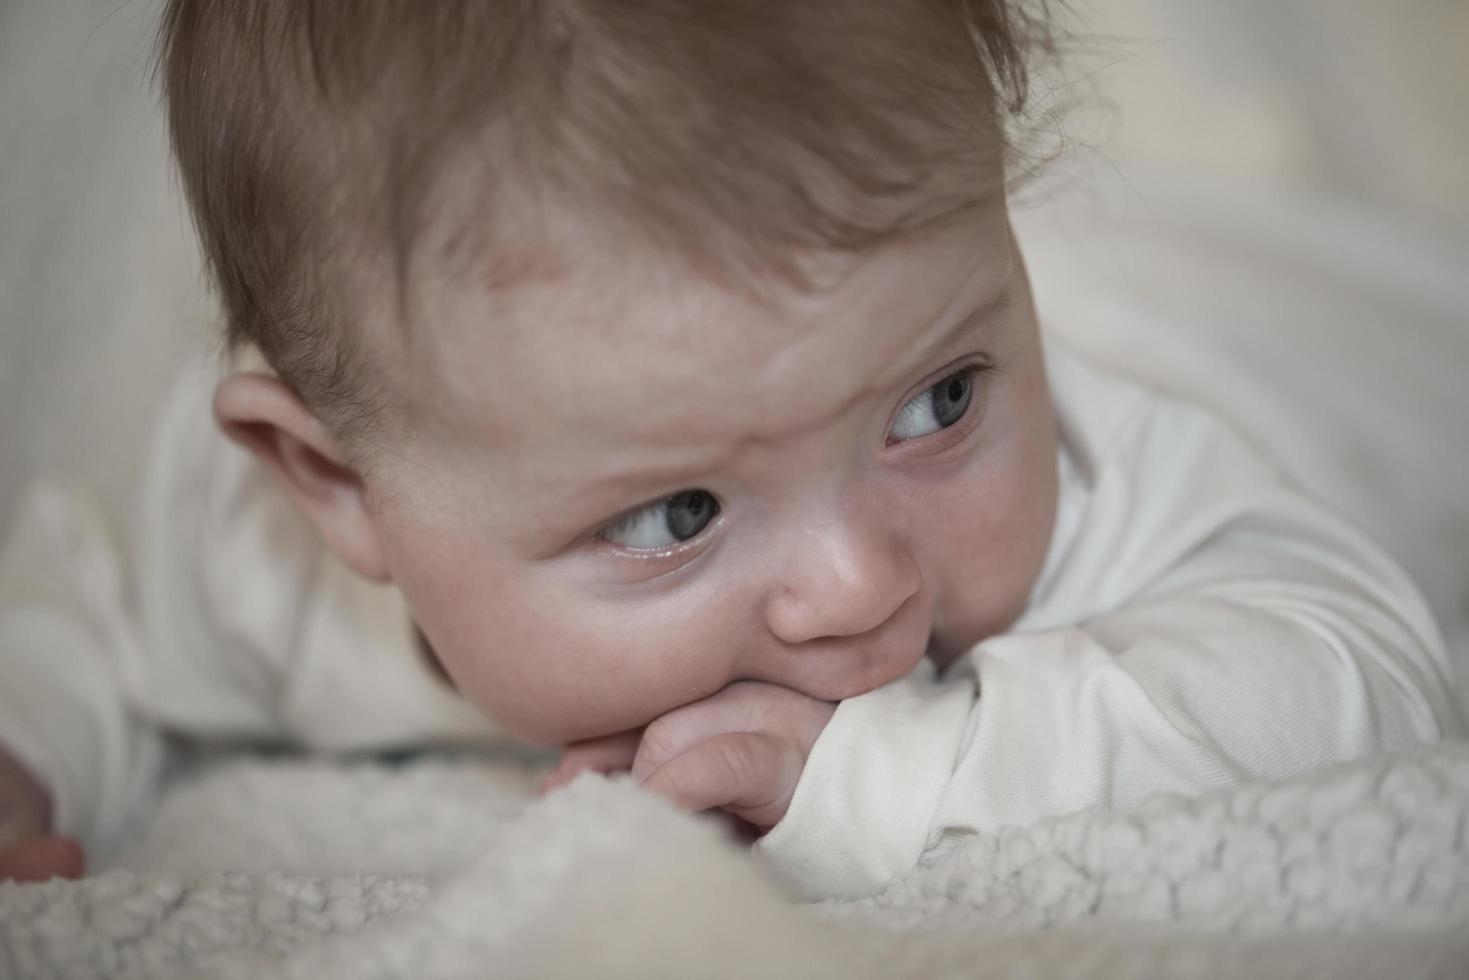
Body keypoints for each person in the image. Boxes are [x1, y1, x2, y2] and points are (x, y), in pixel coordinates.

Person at [0, 0, 1461, 897]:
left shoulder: (1100, 462)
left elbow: (1362, 682)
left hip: (1346, 324)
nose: (854, 588)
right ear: (334, 487)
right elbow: (86, 600)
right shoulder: (261, 566)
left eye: (938, 405)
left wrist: (882, 773)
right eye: (675, 512)